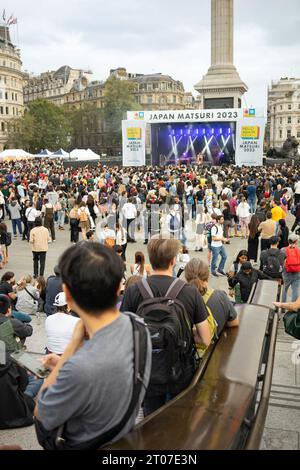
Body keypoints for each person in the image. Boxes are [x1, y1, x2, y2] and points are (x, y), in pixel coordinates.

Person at [34, 243, 152, 449]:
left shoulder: (79, 368)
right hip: (123, 436)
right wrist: (66, 363)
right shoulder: (139, 327)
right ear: (118, 288)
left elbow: (41, 413)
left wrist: (71, 348)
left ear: (67, 296)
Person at [121, 237, 211, 416]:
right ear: (173, 260)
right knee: (177, 419)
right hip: (180, 371)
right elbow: (205, 339)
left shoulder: (134, 290)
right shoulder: (190, 291)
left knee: (150, 419)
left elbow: (124, 334)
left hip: (146, 370)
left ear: (150, 259)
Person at [185, 258, 239, 337]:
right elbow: (234, 322)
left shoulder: (181, 301)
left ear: (186, 278)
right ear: (207, 277)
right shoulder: (220, 296)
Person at [281, 234, 300, 303]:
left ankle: (282, 306)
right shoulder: (299, 250)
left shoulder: (283, 250)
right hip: (297, 273)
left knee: (284, 289)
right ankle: (293, 308)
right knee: (295, 290)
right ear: (296, 241)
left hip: (286, 272)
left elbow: (281, 262)